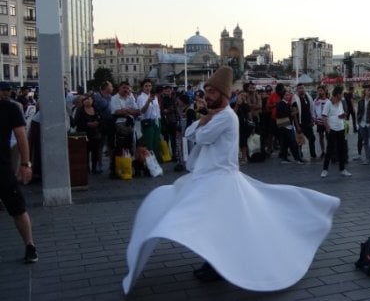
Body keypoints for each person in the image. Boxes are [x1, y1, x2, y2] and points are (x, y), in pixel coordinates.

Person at [122, 66, 340, 293]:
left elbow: (201, 136)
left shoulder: (226, 117)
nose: (207, 97)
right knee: (210, 222)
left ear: (224, 95)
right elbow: (189, 133)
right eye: (207, 92)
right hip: (208, 178)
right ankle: (214, 263)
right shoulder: (217, 115)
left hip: (220, 179)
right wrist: (205, 118)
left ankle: (218, 265)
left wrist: (204, 118)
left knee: (216, 223)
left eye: (212, 93)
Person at [0, 82, 38, 263]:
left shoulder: (10, 109)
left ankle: (30, 245)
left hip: (2, 167)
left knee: (17, 208)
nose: (6, 93)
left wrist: (25, 164)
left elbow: (22, 136)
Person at [109, 82, 140, 178]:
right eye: (123, 88)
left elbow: (137, 111)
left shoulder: (130, 97)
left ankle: (129, 167)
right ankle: (116, 169)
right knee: (119, 147)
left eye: (127, 88)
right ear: (119, 88)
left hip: (130, 124)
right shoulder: (114, 98)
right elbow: (116, 111)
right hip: (119, 124)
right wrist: (129, 111)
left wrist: (125, 111)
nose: (126, 90)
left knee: (130, 146)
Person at [321, 86, 351, 178]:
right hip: (332, 129)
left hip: (341, 128)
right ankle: (325, 170)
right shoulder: (328, 103)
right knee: (329, 150)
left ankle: (342, 169)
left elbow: (339, 115)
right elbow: (324, 117)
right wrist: (328, 128)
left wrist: (343, 116)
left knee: (341, 150)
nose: (342, 95)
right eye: (341, 93)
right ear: (338, 94)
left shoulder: (341, 102)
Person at [74, 94, 103, 174]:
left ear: (92, 100)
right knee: (85, 152)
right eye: (85, 99)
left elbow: (101, 119)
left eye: (89, 99)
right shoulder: (80, 110)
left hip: (95, 134)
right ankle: (86, 168)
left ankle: (94, 168)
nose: (87, 101)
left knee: (95, 152)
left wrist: (97, 123)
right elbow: (77, 122)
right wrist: (87, 124)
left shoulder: (96, 109)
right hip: (84, 134)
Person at [136, 80, 162, 162]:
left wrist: (159, 119)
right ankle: (149, 161)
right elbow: (142, 111)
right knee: (149, 143)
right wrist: (148, 102)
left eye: (149, 86)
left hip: (156, 121)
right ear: (142, 87)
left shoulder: (154, 97)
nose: (148, 88)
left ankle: (156, 161)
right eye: (146, 86)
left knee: (156, 141)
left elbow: (157, 109)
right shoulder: (141, 97)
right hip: (147, 122)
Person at [92, 81, 114, 173]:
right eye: (111, 86)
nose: (112, 88)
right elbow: (107, 107)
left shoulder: (110, 97)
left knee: (110, 145)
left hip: (110, 123)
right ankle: (99, 165)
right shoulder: (98, 97)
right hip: (101, 124)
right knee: (100, 145)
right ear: (106, 88)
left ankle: (112, 165)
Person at [293, 84, 317, 159]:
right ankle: (299, 155)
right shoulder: (295, 99)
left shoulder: (308, 97)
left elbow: (311, 109)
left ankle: (313, 154)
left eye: (302, 88)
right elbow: (294, 115)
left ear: (304, 88)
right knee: (300, 140)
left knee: (312, 138)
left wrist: (312, 119)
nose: (301, 89)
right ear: (297, 90)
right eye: (299, 88)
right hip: (300, 123)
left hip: (308, 122)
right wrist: (297, 126)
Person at [313, 86, 329, 159]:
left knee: (328, 137)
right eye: (319, 91)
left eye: (321, 90)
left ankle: (329, 151)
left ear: (325, 91)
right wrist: (314, 118)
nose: (320, 92)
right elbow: (314, 111)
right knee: (321, 136)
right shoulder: (316, 101)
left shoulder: (328, 101)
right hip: (319, 121)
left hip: (327, 121)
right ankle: (323, 151)